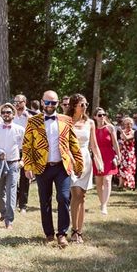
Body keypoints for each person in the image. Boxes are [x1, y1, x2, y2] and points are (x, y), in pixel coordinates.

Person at [22, 90, 83, 248]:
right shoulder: (33, 121)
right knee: (45, 201)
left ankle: (62, 234)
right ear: (42, 102)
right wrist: (28, 166)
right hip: (42, 167)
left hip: (62, 166)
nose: (50, 105)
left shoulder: (66, 120)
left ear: (58, 104)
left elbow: (74, 144)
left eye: (53, 103)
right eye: (47, 102)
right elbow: (27, 145)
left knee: (64, 198)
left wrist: (78, 163)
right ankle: (49, 233)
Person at [0, 103, 24, 230]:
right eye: (4, 112)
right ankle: (3, 213)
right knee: (0, 192)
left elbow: (25, 148)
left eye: (8, 112)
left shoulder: (20, 130)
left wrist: (22, 161)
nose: (6, 114)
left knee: (11, 191)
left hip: (13, 163)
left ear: (13, 114)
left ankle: (9, 220)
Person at [69, 94, 103, 243]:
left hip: (86, 159)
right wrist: (70, 158)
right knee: (75, 193)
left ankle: (79, 231)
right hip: (71, 159)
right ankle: (73, 229)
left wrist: (99, 161)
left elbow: (94, 145)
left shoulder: (90, 122)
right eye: (81, 104)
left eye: (86, 104)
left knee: (82, 196)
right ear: (74, 106)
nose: (84, 107)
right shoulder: (67, 121)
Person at [93, 107, 121, 214]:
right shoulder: (93, 128)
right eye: (99, 115)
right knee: (99, 181)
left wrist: (118, 156)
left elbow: (115, 143)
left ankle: (104, 205)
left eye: (104, 114)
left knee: (108, 179)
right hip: (97, 156)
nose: (102, 117)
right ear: (95, 117)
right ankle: (102, 203)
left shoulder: (110, 127)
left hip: (109, 155)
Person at [13, 94, 34, 213]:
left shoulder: (31, 115)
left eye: (19, 102)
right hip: (15, 149)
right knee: (13, 176)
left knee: (25, 177)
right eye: (15, 102)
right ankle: (14, 200)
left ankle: (23, 205)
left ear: (24, 102)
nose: (16, 104)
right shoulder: (12, 115)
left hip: (27, 149)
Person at [118, 117, 137, 190]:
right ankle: (121, 184)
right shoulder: (122, 132)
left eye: (130, 124)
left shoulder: (133, 132)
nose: (128, 125)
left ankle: (130, 184)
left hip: (130, 152)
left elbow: (127, 138)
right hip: (123, 151)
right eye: (126, 124)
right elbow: (121, 142)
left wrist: (122, 132)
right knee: (122, 168)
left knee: (129, 168)